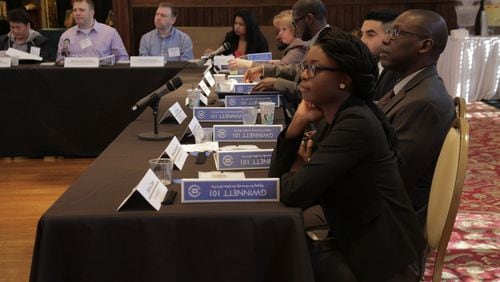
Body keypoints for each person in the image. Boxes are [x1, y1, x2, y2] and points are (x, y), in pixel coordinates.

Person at [268, 27, 425, 282]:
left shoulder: (355, 123)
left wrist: (299, 171)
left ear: (345, 78)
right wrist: (296, 126)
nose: (303, 77)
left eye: (314, 69)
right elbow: (281, 183)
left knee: (273, 259)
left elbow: (293, 192)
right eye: (304, 67)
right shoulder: (340, 115)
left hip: (382, 261)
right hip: (359, 240)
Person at [378, 9, 456, 225]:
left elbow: (391, 179)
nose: (385, 39)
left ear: (425, 46)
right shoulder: (411, 85)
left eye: (395, 33)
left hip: (390, 224)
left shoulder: (424, 102)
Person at [228, 10, 307, 70]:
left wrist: (248, 64)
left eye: (284, 29)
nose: (280, 34)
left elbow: (279, 70)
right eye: (279, 30)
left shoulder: (298, 48)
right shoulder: (294, 46)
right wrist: (276, 62)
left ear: (295, 29)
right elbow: (285, 65)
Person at [56, 0, 128, 62]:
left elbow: (122, 59)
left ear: (92, 12)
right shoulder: (66, 36)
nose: (77, 13)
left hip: (102, 75)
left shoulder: (110, 33)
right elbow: (60, 62)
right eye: (74, 10)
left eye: (81, 10)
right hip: (75, 76)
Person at [360, 9, 401, 100]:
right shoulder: (370, 64)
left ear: (390, 36)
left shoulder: (397, 71)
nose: (362, 40)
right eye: (362, 34)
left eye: (370, 35)